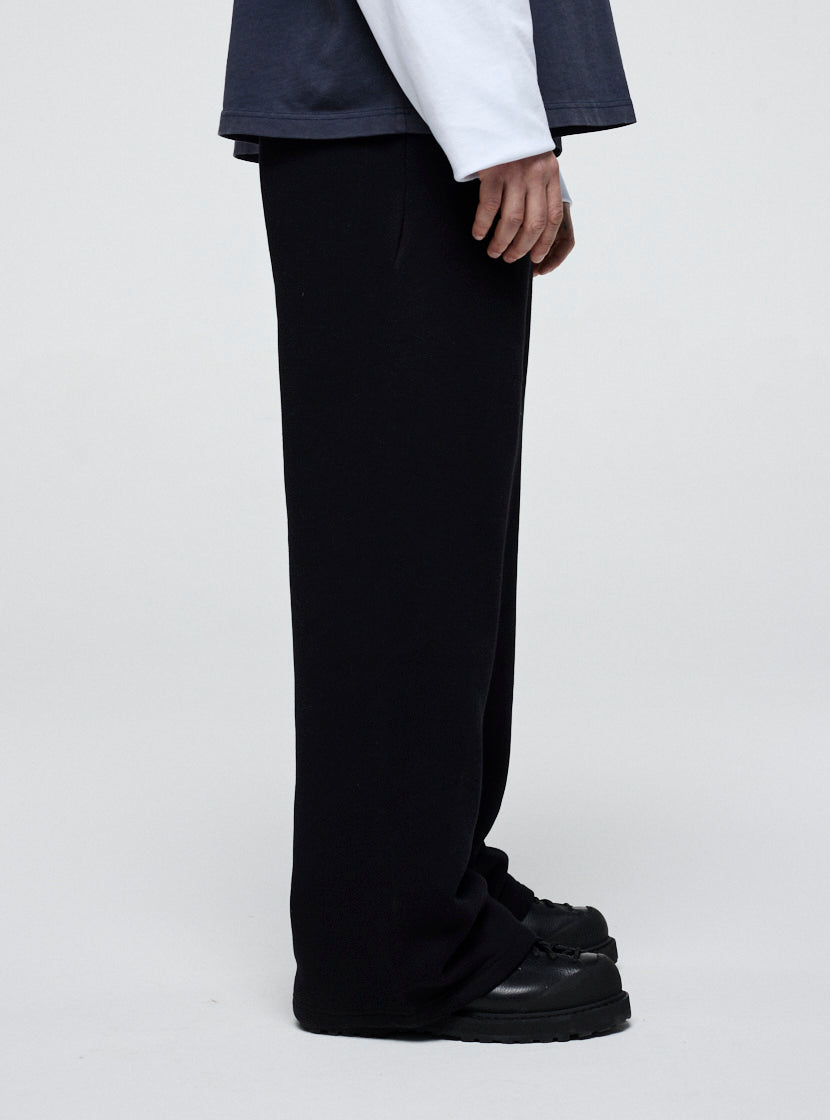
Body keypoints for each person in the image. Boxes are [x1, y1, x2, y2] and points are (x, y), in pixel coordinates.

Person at [217, 0, 637, 1043]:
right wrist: (499, 128)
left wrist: (504, 117)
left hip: (405, 113)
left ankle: (436, 879)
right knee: (400, 544)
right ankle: (392, 951)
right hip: (397, 114)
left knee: (444, 530)